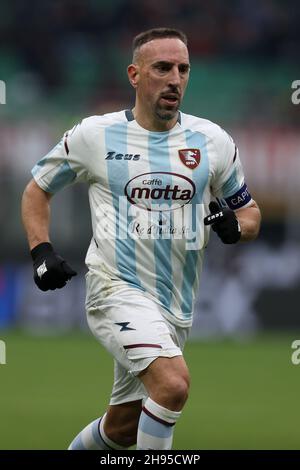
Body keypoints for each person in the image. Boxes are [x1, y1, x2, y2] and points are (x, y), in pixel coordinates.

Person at [21, 27, 261, 450]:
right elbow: (37, 188)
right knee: (172, 386)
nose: (175, 79)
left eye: (183, 69)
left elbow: (249, 211)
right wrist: (41, 250)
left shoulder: (213, 142)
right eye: (163, 68)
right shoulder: (96, 135)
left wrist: (235, 227)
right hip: (115, 288)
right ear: (134, 74)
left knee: (122, 429)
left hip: (175, 305)